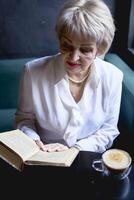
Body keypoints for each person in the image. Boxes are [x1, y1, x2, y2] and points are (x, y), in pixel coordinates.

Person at [15, 0, 123, 153]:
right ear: (60, 39)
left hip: (88, 156)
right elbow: (24, 120)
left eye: (85, 50)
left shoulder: (113, 76)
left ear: (100, 49)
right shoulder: (32, 72)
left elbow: (109, 130)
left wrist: (75, 150)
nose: (73, 57)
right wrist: (35, 142)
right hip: (43, 155)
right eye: (67, 45)